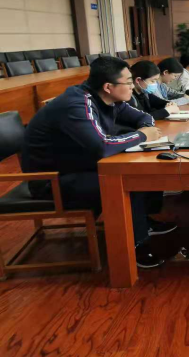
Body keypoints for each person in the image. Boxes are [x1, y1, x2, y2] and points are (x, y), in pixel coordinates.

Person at [21, 57, 175, 268]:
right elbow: (102, 146)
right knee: (126, 181)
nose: (133, 86)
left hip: (79, 166)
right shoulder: (77, 104)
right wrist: (142, 135)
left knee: (141, 172)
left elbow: (143, 117)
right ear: (108, 86)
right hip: (53, 181)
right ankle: (135, 247)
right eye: (128, 82)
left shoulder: (110, 99)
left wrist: (145, 129)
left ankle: (141, 222)